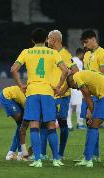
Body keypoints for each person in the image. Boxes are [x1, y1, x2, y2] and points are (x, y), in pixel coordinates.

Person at [11, 28, 69, 168]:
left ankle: (37, 160)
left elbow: (13, 69)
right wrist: (58, 86)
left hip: (32, 92)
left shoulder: (26, 52)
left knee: (34, 126)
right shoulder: (53, 52)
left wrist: (20, 85)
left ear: (32, 40)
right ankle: (56, 159)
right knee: (50, 126)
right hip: (48, 92)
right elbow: (66, 70)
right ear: (45, 40)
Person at [67, 70, 104, 168]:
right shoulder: (89, 75)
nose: (77, 89)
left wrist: (92, 115)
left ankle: (88, 159)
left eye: (74, 87)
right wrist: (91, 113)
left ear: (72, 80)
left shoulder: (76, 76)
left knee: (93, 126)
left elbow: (87, 96)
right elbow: (93, 97)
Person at [39, 29, 79, 159]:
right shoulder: (50, 53)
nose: (46, 41)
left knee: (61, 123)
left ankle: (60, 154)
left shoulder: (65, 55)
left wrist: (65, 86)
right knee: (44, 123)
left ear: (54, 40)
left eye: (48, 39)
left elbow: (76, 72)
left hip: (61, 96)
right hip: (49, 94)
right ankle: (43, 154)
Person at [75, 29, 104, 163]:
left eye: (85, 42)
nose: (84, 45)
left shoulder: (103, 53)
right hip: (87, 93)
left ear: (93, 39)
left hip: (96, 93)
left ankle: (89, 155)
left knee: (92, 123)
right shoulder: (87, 54)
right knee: (90, 124)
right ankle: (93, 155)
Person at [0, 86, 29, 161]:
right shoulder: (24, 98)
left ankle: (14, 153)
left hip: (14, 100)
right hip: (6, 97)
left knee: (21, 125)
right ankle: (17, 153)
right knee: (21, 122)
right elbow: (28, 111)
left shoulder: (26, 95)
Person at [67, 48, 85, 130]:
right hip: (76, 85)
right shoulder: (79, 62)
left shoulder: (71, 59)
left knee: (69, 106)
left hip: (68, 84)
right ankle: (80, 123)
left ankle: (69, 125)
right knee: (79, 104)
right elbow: (79, 74)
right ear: (81, 54)